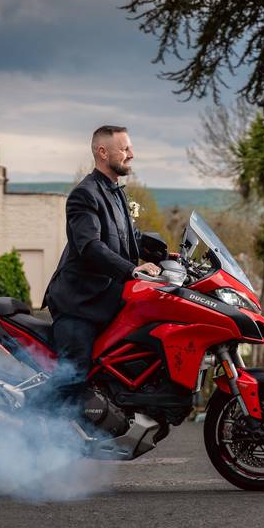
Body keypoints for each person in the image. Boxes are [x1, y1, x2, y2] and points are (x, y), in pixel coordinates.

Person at [43, 125, 161, 401]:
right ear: (102, 152)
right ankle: (46, 435)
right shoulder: (85, 194)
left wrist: (172, 258)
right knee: (72, 380)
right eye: (125, 148)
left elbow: (131, 239)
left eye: (130, 147)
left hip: (106, 301)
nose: (131, 154)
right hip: (79, 305)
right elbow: (91, 247)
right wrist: (132, 270)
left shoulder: (115, 192)